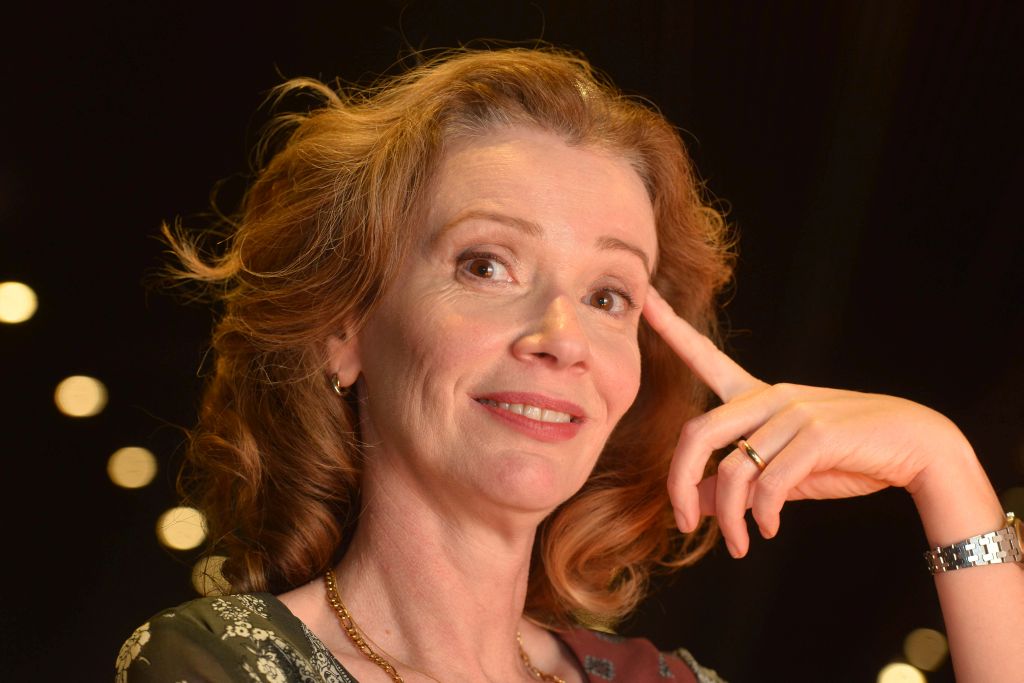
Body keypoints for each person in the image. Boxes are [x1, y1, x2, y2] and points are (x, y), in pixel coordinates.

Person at [116, 47, 1023, 682]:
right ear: (344, 328)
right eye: (486, 265)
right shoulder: (216, 665)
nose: (561, 335)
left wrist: (942, 466)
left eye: (608, 295)